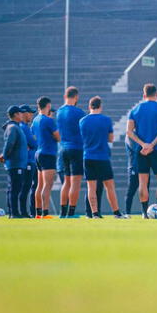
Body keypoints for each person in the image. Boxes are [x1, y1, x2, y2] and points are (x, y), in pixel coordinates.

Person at [126, 84, 157, 219]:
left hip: (141, 151)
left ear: (144, 95)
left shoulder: (135, 110)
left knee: (142, 182)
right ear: (156, 94)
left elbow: (129, 132)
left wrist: (143, 144)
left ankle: (145, 213)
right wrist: (152, 145)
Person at [79, 96, 125, 219]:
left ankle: (94, 214)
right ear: (100, 106)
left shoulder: (82, 121)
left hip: (88, 156)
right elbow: (110, 138)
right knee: (109, 186)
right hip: (102, 157)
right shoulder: (106, 120)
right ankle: (116, 213)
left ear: (90, 106)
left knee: (91, 187)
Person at [56, 86, 86, 218]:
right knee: (75, 183)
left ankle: (62, 212)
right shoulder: (79, 112)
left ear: (65, 96)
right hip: (76, 148)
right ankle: (71, 212)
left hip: (63, 149)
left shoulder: (59, 112)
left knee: (66, 182)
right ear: (76, 97)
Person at [0, 106, 28, 219]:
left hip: (18, 163)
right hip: (16, 163)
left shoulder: (15, 127)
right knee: (14, 189)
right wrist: (4, 156)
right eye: (20, 113)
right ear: (15, 114)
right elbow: (9, 144)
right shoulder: (12, 128)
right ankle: (14, 213)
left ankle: (15, 212)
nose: (22, 115)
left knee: (15, 188)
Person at [31, 96, 60, 219]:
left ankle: (38, 212)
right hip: (48, 153)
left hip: (38, 153)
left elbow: (33, 135)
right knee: (47, 185)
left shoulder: (35, 120)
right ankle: (45, 212)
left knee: (39, 184)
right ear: (48, 106)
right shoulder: (48, 120)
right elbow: (58, 137)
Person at [18, 104, 37, 218]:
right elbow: (34, 143)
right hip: (28, 161)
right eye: (30, 113)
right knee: (25, 187)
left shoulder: (25, 127)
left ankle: (28, 211)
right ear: (24, 113)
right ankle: (23, 212)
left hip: (30, 160)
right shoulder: (23, 127)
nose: (31, 115)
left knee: (28, 187)